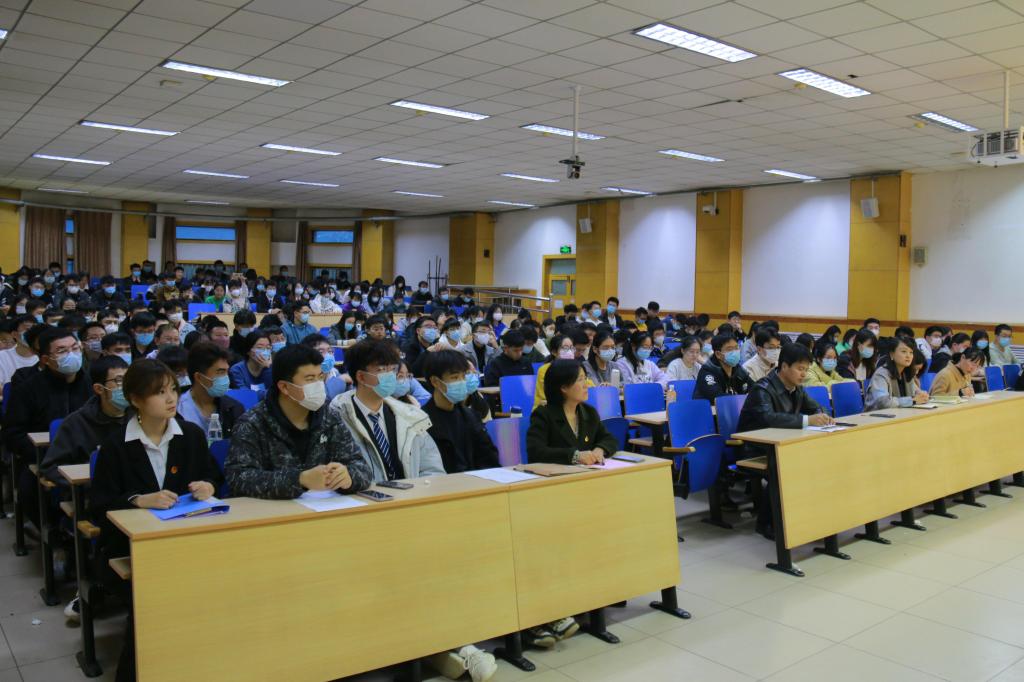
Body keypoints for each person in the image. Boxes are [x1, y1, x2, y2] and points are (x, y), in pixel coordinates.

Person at [90, 359, 224, 682]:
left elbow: (212, 475)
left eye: (173, 390)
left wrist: (208, 486)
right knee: (154, 603)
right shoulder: (116, 445)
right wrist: (138, 500)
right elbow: (99, 508)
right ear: (136, 399)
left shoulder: (190, 435)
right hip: (131, 549)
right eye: (160, 392)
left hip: (187, 541)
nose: (171, 398)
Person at [225, 344, 371, 499]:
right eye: (310, 379)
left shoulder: (329, 417)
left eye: (320, 377)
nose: (319, 385)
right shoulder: (253, 423)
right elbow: (238, 478)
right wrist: (299, 480)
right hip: (273, 510)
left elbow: (361, 467)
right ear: (284, 387)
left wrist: (349, 476)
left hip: (324, 507)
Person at [736, 344, 832, 538]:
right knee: (783, 468)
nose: (803, 374)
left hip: (782, 445)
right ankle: (766, 523)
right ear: (785, 366)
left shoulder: (797, 389)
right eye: (800, 368)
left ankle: (809, 518)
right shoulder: (762, 389)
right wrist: (807, 420)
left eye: (806, 369)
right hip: (754, 448)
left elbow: (816, 408)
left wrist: (822, 415)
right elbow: (768, 419)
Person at [330, 339, 444, 483]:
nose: (390, 376)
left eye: (393, 369)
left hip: (412, 494)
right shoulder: (337, 419)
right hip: (365, 495)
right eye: (382, 370)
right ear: (361, 377)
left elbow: (432, 469)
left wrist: (418, 492)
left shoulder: (410, 416)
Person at [420, 350, 499, 474]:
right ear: (435, 381)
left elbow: (489, 457)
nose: (462, 382)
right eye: (455, 377)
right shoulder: (422, 422)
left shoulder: (471, 416)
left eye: (463, 376)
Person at [177, 342, 246, 438]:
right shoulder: (177, 409)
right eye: (220, 372)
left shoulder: (234, 409)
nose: (226, 377)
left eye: (226, 372)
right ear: (199, 377)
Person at [864, 337, 929, 411]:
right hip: (876, 416)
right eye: (904, 351)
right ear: (891, 354)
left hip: (900, 414)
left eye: (911, 352)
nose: (908, 356)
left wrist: (922, 395)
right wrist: (912, 400)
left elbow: (917, 392)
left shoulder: (906, 373)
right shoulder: (881, 374)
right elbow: (882, 402)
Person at [693, 333, 754, 401]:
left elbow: (755, 388)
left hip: (733, 406)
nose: (735, 352)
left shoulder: (737, 368)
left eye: (736, 348)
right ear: (718, 354)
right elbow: (717, 397)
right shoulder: (707, 371)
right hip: (707, 407)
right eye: (730, 349)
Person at [0, 315, 38, 385]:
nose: (32, 334)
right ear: (14, 334)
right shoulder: (2, 357)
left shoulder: (45, 356)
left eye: (35, 330)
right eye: (28, 330)